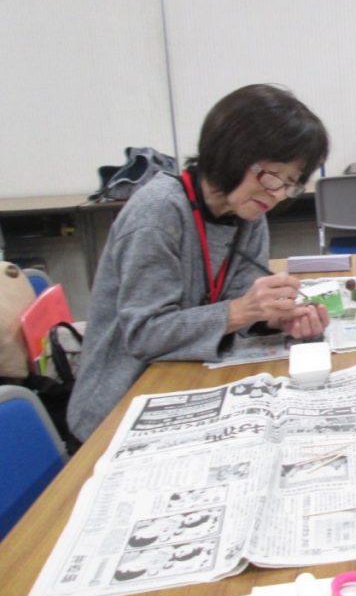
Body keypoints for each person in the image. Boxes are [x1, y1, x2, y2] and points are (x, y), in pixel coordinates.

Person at [68, 84, 330, 442]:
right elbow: (145, 334)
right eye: (272, 176)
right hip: (119, 409)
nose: (278, 194)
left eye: (290, 184)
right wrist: (241, 311)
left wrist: (275, 318)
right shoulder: (158, 213)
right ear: (231, 153)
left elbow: (240, 305)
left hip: (188, 383)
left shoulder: (248, 212)